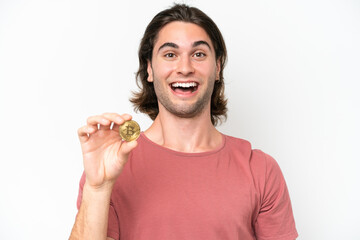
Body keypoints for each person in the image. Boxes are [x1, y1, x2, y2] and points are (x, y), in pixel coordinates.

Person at [70, 4, 298, 240]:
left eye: (198, 54)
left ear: (217, 68)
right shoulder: (112, 165)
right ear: (149, 68)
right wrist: (98, 189)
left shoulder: (260, 170)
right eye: (170, 54)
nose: (185, 68)